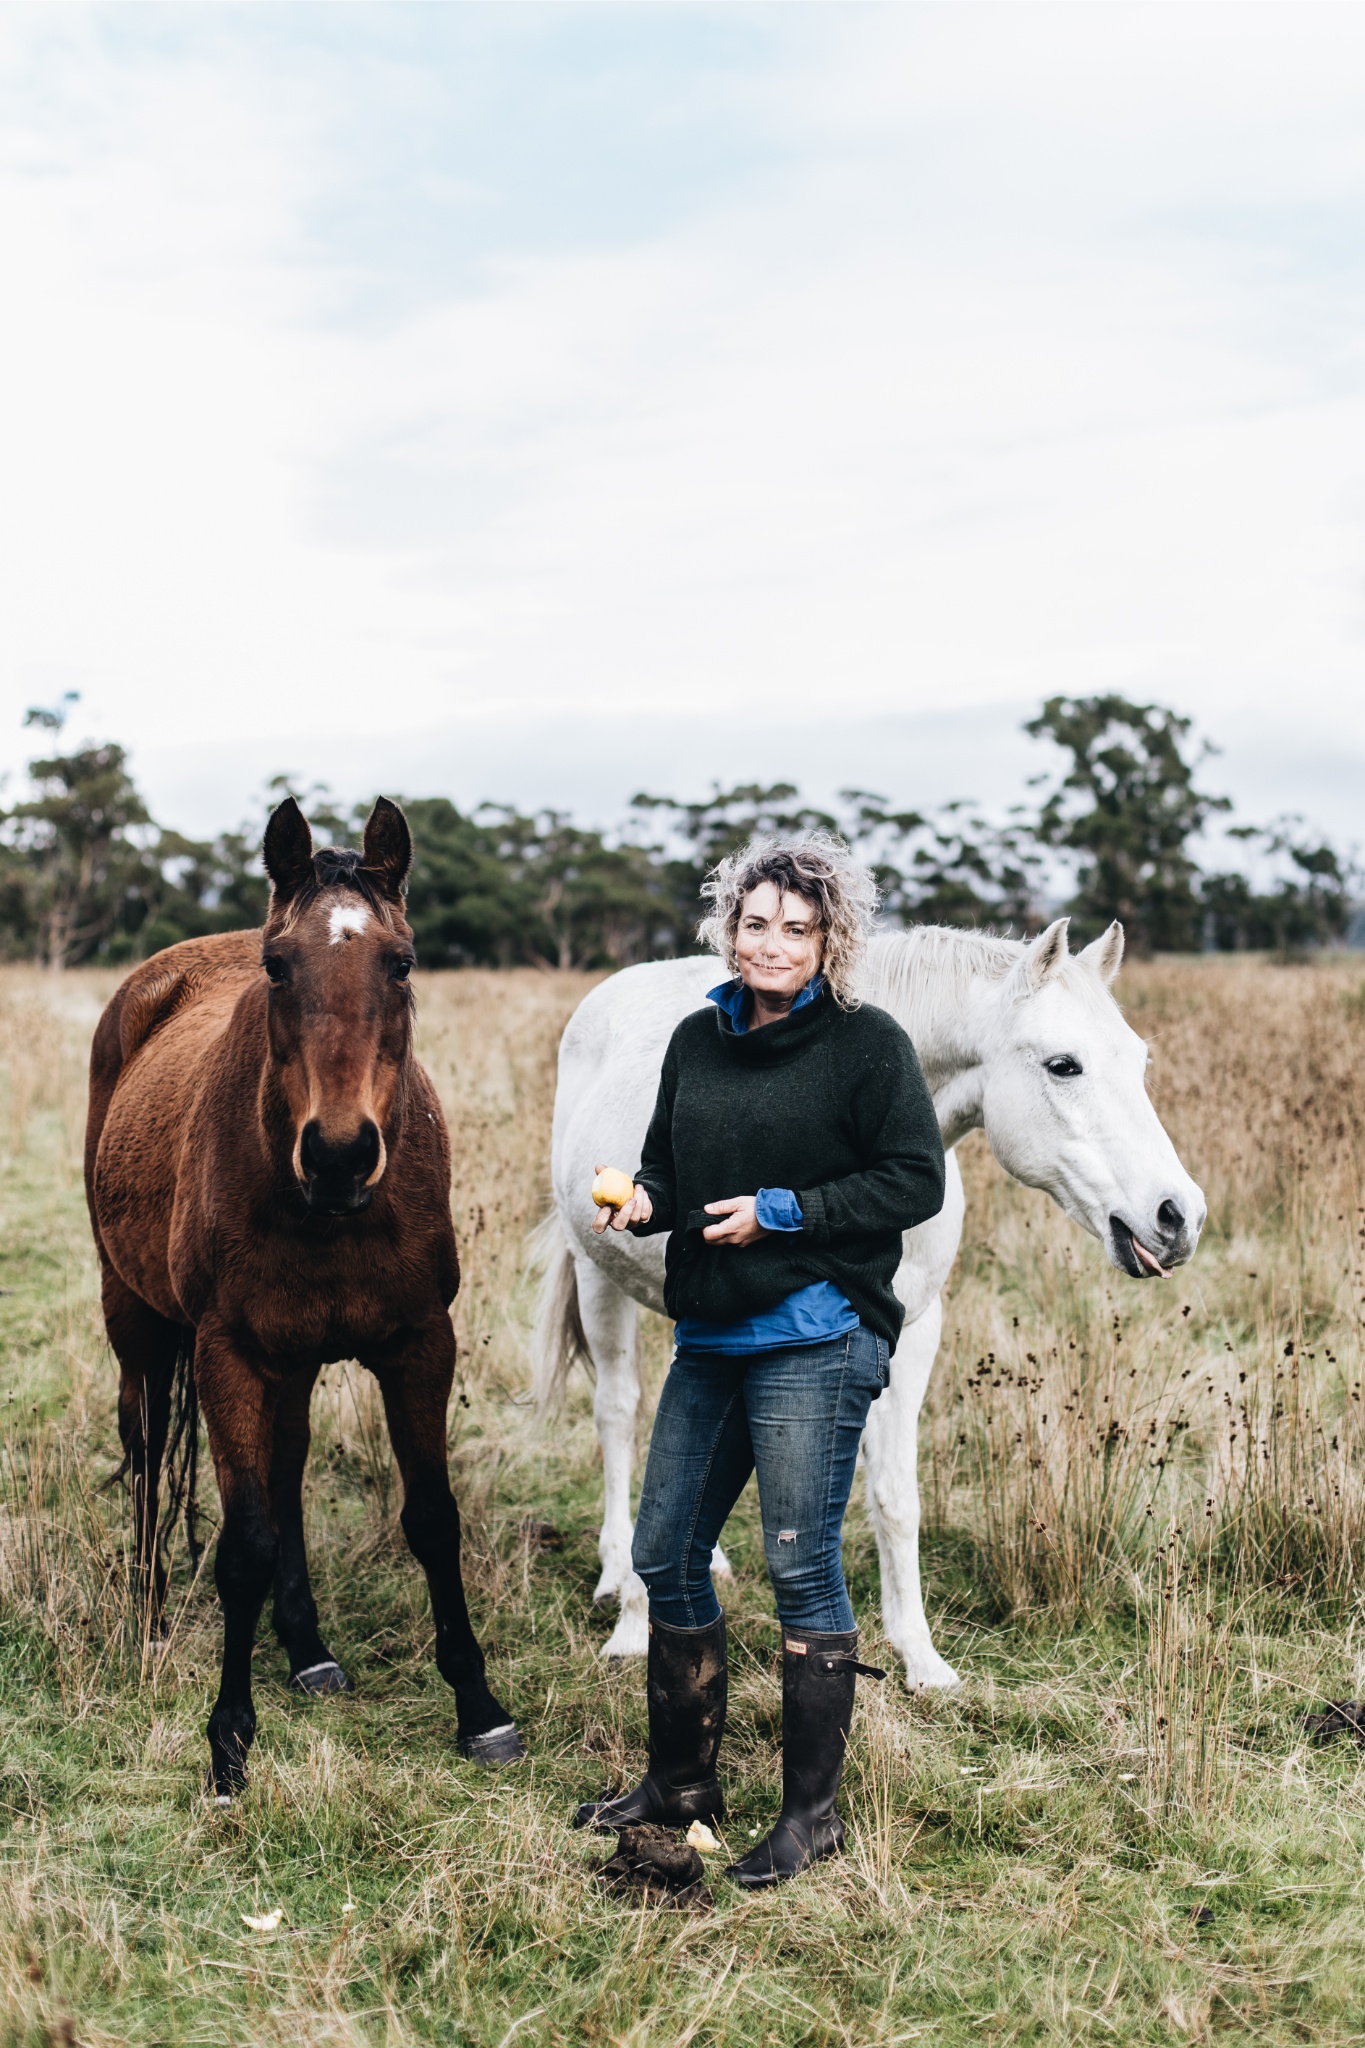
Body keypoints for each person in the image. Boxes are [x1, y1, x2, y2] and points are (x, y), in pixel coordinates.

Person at [573, 833, 946, 1887]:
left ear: (830, 939)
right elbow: (669, 1163)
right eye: (755, 922)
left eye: (797, 926)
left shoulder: (869, 1047)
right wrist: (643, 1198)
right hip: (714, 1333)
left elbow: (913, 1181)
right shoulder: (698, 1038)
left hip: (820, 1332)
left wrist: (785, 1212)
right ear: (728, 929)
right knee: (663, 1550)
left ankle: (811, 1816)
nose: (772, 942)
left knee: (798, 1563)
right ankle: (682, 1784)